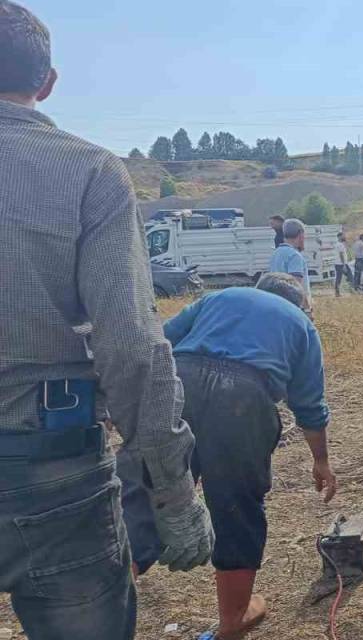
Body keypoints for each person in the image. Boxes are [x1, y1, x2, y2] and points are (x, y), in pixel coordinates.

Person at [0, 2, 214, 637]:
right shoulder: (87, 171)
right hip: (50, 463)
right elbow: (133, 345)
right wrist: (173, 494)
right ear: (47, 83)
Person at [119, 274, 338, 640]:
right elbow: (310, 406)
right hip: (244, 399)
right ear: (301, 304)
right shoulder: (301, 323)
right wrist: (321, 461)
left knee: (146, 492)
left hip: (181, 382)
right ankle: (232, 624)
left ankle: (111, 597)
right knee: (236, 510)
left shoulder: (219, 297)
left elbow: (162, 340)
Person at [269, 217, 311, 306]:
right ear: (300, 234)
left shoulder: (276, 253)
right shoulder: (294, 256)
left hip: (279, 303)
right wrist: (307, 309)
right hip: (293, 307)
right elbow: (296, 287)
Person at [334, 231, 354, 297]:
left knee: (339, 278)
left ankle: (338, 292)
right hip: (341, 264)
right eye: (343, 236)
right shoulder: (340, 245)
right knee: (350, 276)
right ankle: (351, 290)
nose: (344, 237)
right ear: (339, 237)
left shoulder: (338, 244)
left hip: (338, 264)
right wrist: (344, 265)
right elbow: (341, 255)